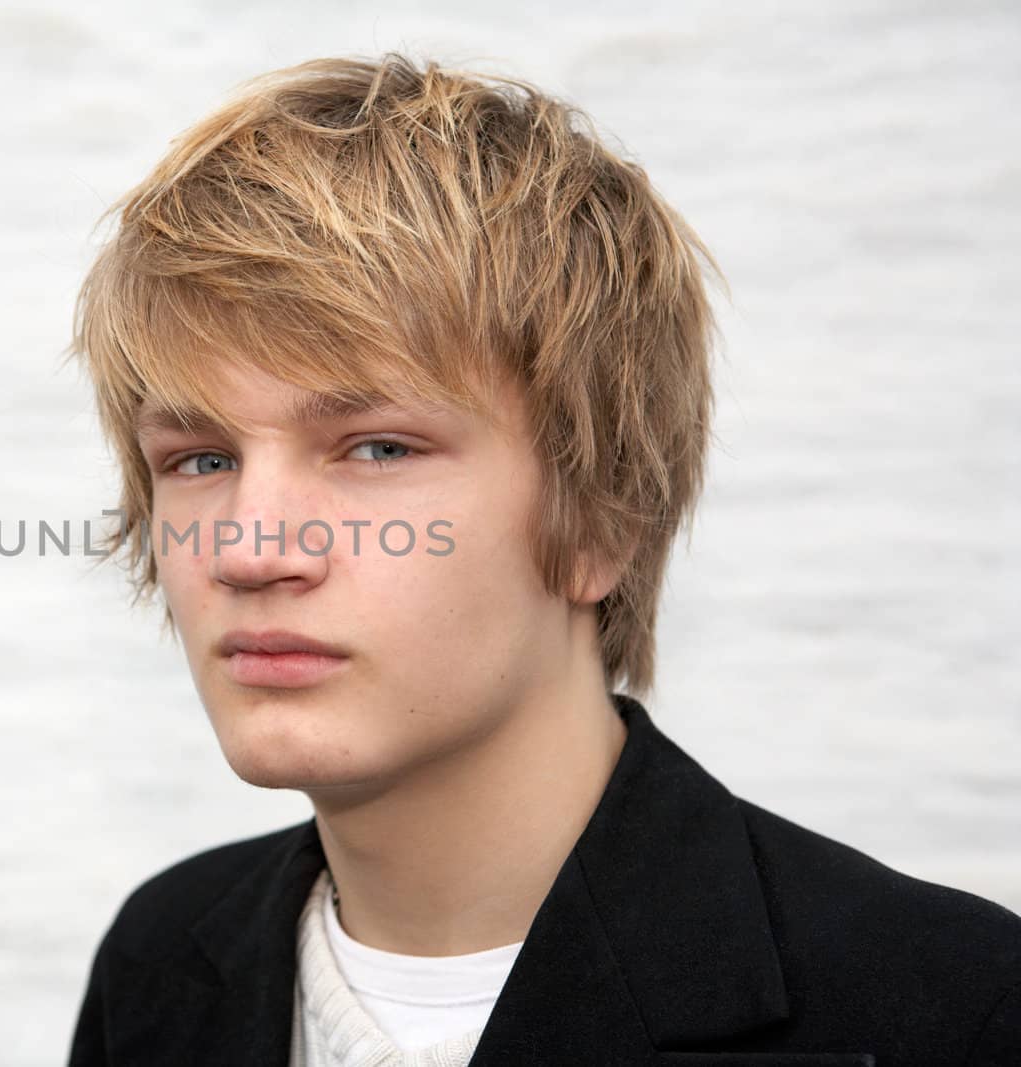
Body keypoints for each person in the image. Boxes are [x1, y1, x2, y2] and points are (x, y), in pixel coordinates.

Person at [61, 52, 1021, 1065]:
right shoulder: (160, 963)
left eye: (378, 448)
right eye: (200, 457)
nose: (249, 547)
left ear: (601, 516)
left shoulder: (951, 1011)